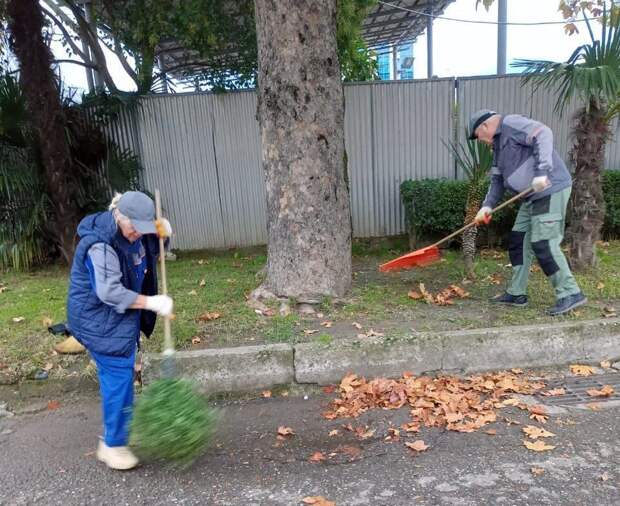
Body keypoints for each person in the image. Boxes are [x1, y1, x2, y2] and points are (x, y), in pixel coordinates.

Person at [67, 191, 173, 470]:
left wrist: (164, 235)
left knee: (121, 371)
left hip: (121, 316)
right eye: (133, 227)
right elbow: (110, 292)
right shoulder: (99, 246)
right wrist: (151, 302)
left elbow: (153, 245)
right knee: (118, 374)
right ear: (118, 216)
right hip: (97, 319)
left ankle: (115, 435)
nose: (138, 233)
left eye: (144, 228)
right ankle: (112, 446)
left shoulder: (137, 231)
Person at [469, 110, 586, 316]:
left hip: (549, 189)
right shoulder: (497, 147)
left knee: (543, 243)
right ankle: (517, 293)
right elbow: (497, 181)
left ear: (485, 126)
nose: (479, 140)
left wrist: (542, 172)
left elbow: (543, 133)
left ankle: (570, 293)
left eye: (478, 136)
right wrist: (487, 206)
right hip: (531, 197)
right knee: (518, 240)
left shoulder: (511, 124)